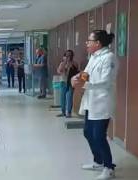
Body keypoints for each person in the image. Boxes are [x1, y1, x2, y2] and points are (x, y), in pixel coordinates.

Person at [72, 30, 117, 180]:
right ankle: (98, 161)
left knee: (98, 136)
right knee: (88, 133)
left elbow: (106, 82)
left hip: (102, 103)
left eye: (89, 41)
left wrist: (84, 84)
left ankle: (108, 167)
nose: (87, 43)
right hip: (91, 102)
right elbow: (87, 73)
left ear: (98, 43)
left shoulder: (109, 58)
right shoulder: (94, 57)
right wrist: (77, 77)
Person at [57, 50, 79, 118]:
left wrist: (71, 65)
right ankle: (63, 112)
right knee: (62, 98)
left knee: (69, 97)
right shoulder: (62, 63)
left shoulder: (74, 63)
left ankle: (69, 112)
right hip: (63, 82)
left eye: (69, 55)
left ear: (72, 56)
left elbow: (77, 71)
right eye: (66, 55)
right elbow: (59, 71)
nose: (68, 57)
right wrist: (64, 63)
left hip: (70, 83)